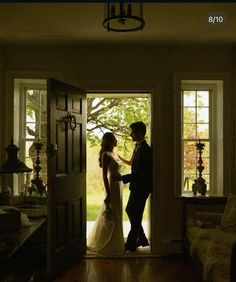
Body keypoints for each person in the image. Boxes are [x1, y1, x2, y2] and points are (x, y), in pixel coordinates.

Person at [113, 121, 152, 252]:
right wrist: (120, 158)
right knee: (132, 212)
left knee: (134, 212)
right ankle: (142, 239)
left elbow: (140, 173)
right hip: (136, 187)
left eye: (133, 132)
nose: (131, 134)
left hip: (142, 188)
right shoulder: (138, 147)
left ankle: (131, 244)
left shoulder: (145, 150)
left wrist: (122, 178)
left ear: (140, 133)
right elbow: (131, 163)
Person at [87, 132, 125, 256]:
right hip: (112, 186)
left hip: (119, 186)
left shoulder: (116, 154)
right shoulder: (105, 155)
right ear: (108, 141)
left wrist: (135, 152)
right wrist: (108, 194)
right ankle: (107, 241)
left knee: (118, 212)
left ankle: (117, 242)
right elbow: (104, 176)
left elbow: (129, 162)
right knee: (111, 213)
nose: (116, 141)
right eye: (114, 139)